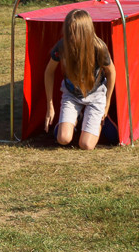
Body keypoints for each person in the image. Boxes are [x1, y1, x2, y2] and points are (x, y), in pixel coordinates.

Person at [42, 9, 117, 149]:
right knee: (63, 139)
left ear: (84, 32)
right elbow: (49, 72)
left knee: (86, 145)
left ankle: (101, 123)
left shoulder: (99, 47)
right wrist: (50, 107)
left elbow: (111, 72)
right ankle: (75, 119)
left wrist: (107, 104)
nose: (70, 37)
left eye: (74, 33)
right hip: (72, 94)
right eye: (68, 32)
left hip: (95, 95)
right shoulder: (62, 46)